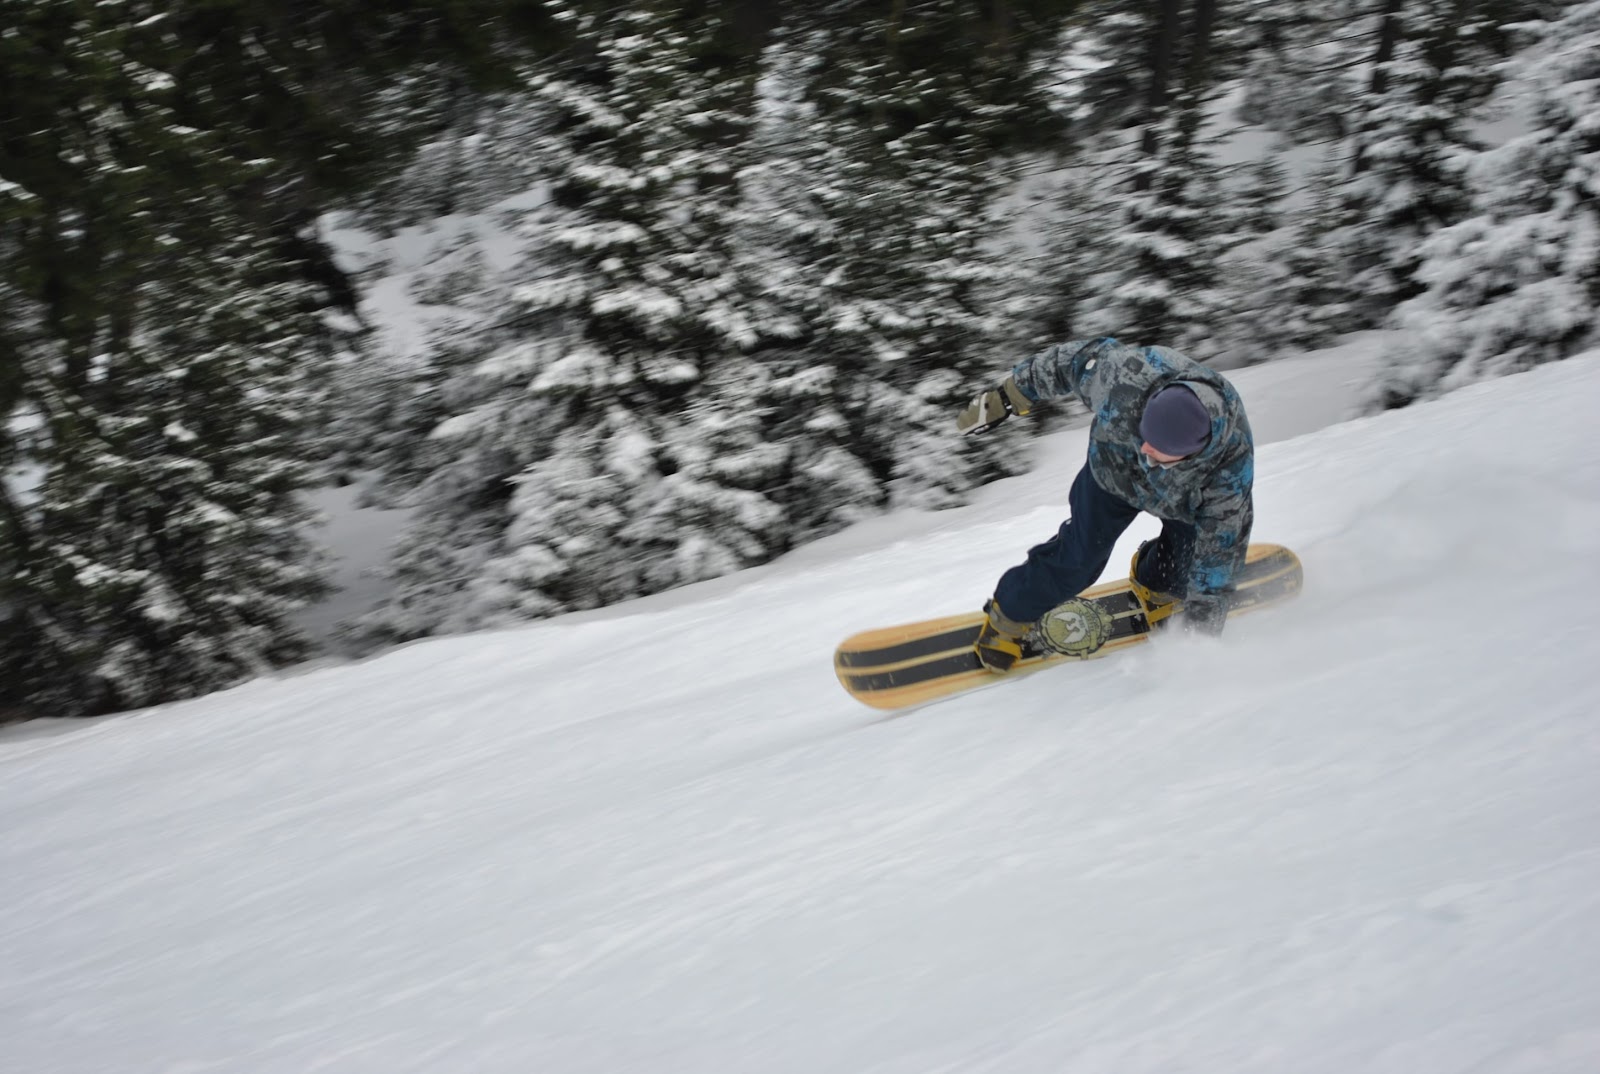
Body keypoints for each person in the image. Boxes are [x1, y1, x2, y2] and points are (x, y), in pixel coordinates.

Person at [956, 337, 1254, 672]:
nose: (1144, 449)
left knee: (1191, 554)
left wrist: (1199, 640)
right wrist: (1007, 397)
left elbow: (1219, 557)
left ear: (1192, 451)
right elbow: (1071, 362)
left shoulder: (1227, 472)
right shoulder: (1128, 377)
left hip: (1183, 499)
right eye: (1144, 435)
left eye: (1158, 448)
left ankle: (1156, 585)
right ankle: (1009, 615)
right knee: (1080, 558)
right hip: (1111, 476)